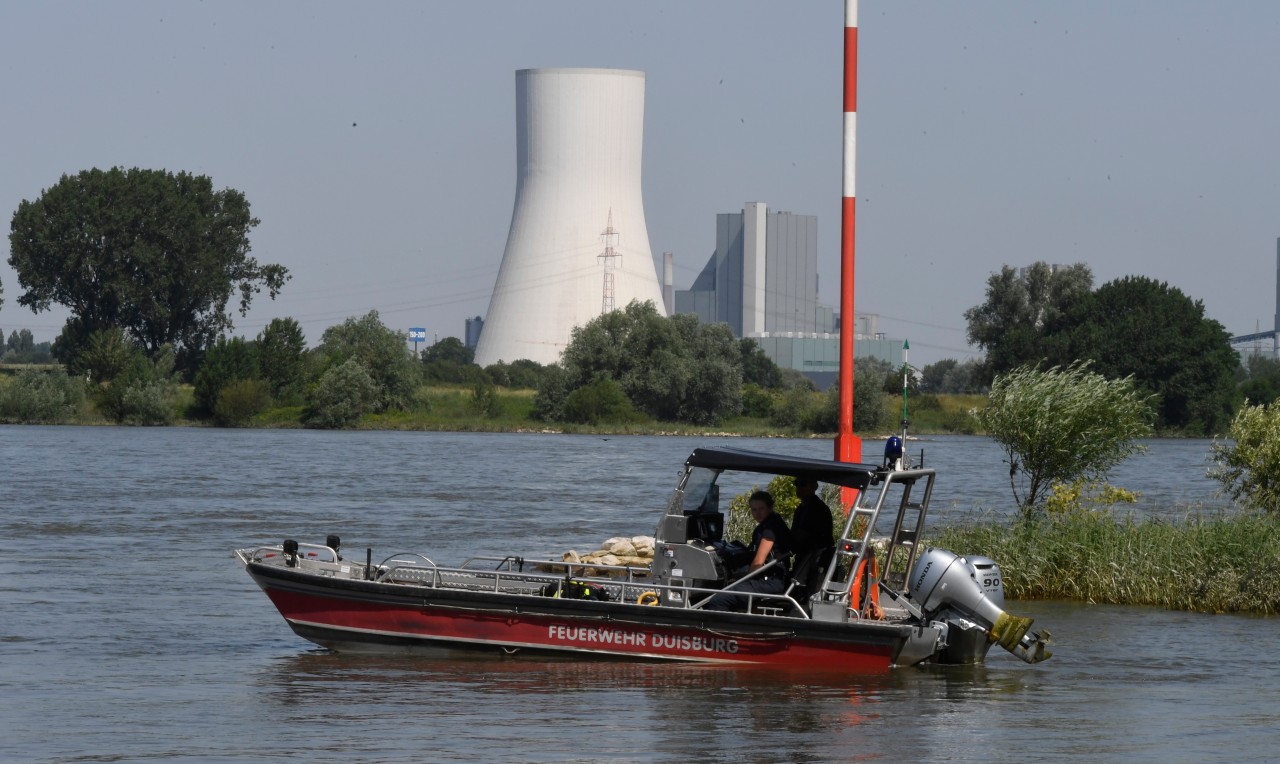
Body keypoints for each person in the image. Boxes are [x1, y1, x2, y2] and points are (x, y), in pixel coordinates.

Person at [705, 490, 793, 612]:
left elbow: (758, 563)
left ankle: (719, 629)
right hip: (771, 579)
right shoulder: (769, 524)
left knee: (719, 600)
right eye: (754, 510)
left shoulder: (770, 529)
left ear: (770, 507)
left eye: (761, 509)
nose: (757, 513)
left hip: (770, 582)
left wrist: (743, 581)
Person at [790, 477, 834, 559]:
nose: (799, 487)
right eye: (796, 484)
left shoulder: (818, 508)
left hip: (814, 559)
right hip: (804, 557)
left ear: (814, 487)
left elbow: (804, 535)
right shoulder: (801, 508)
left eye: (803, 484)